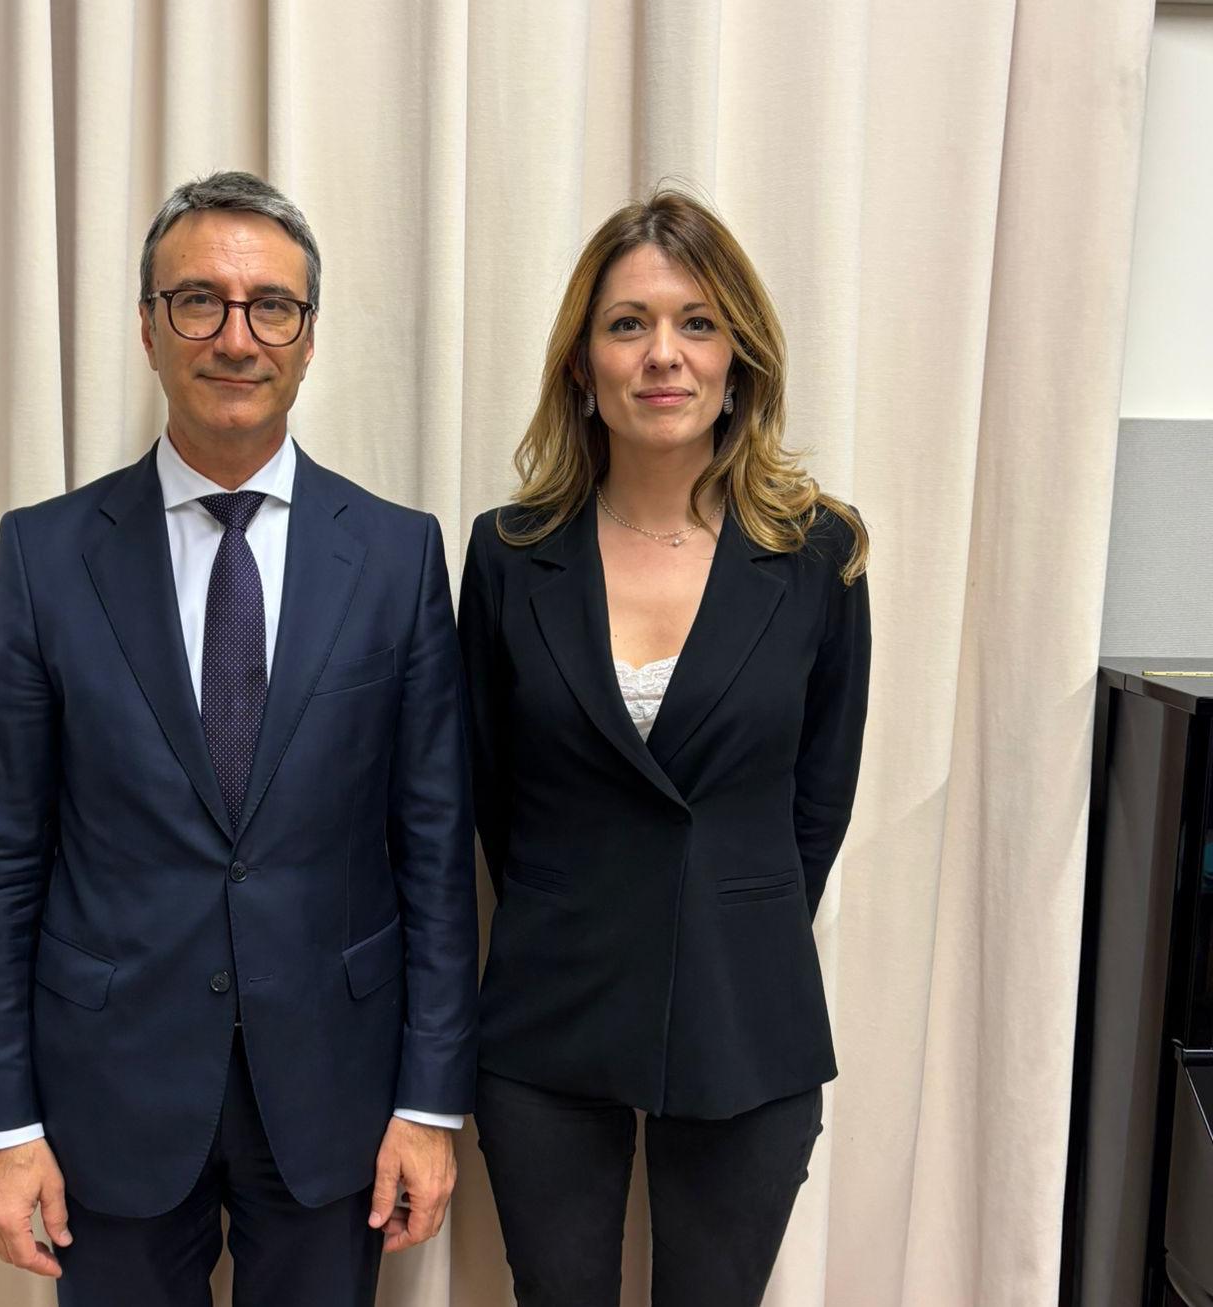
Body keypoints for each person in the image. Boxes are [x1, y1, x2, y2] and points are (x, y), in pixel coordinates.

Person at [0, 171, 478, 1307]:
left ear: (308, 337)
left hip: (335, 1090)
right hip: (109, 1091)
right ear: (148, 327)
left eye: (270, 306)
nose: (237, 337)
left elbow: (434, 853)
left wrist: (430, 1101)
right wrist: (2, 1124)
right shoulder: (46, 557)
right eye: (199, 301)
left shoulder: (397, 558)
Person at [457, 189, 871, 1306]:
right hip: (549, 1004)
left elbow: (819, 799)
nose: (662, 355)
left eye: (696, 323)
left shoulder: (818, 553)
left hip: (746, 1005)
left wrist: (724, 913)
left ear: (738, 359)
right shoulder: (508, 553)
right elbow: (491, 794)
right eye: (627, 324)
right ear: (582, 364)